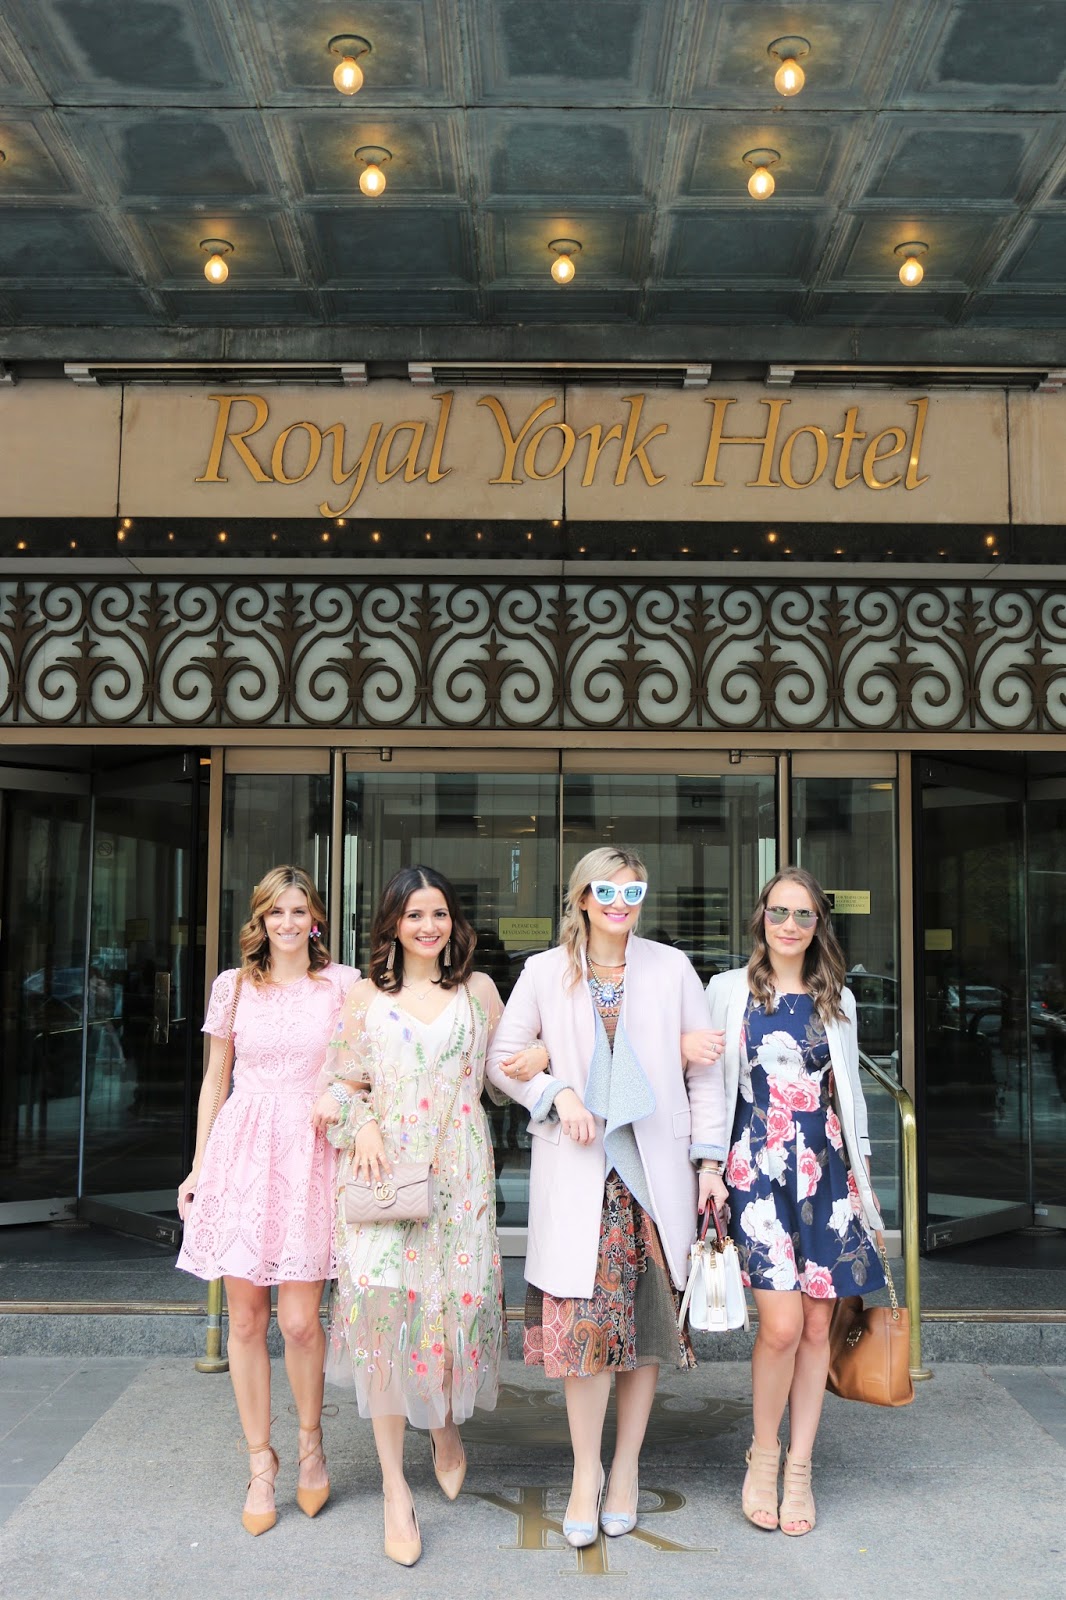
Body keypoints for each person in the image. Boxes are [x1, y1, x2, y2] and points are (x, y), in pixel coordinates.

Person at [485, 847, 728, 1547]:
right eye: (607, 891)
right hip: (581, 1173)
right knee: (584, 1333)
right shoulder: (544, 972)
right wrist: (556, 1091)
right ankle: (585, 1471)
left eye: (633, 892)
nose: (621, 904)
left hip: (653, 1177)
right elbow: (502, 1061)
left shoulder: (671, 968)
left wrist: (709, 1160)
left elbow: (705, 1075)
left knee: (645, 1330)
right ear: (582, 898)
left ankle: (626, 1469)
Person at [314, 865, 544, 1567]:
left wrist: (540, 1055)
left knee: (449, 1309)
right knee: (385, 1317)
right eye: (413, 914)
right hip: (384, 1175)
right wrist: (362, 1123)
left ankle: (444, 1423)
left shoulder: (478, 991)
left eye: (438, 913)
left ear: (454, 921)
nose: (427, 925)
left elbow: (503, 1077)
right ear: (392, 923)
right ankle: (394, 1489)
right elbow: (338, 1083)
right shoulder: (365, 996)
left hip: (460, 1177)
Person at [176, 866, 360, 1536]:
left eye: (298, 911)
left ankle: (311, 1445)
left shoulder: (342, 985)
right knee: (247, 1320)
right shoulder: (232, 986)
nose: (287, 922)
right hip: (242, 1153)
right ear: (260, 919)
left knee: (301, 1321)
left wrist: (339, 1098)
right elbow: (215, 1080)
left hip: (311, 1152)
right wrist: (198, 1167)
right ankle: (261, 1461)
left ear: (315, 920)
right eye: (275, 912)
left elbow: (360, 1069)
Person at [706, 866, 885, 1537]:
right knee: (780, 1327)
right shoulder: (727, 991)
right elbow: (708, 1088)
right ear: (761, 918)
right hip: (755, 1168)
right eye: (778, 912)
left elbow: (850, 1098)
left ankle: (800, 1467)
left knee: (816, 1327)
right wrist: (706, 1165)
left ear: (818, 925)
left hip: (825, 1173)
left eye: (802, 915)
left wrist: (866, 1191)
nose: (788, 925)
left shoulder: (838, 998)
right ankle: (764, 1455)